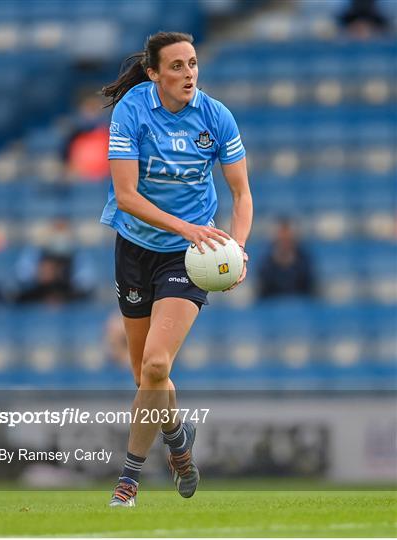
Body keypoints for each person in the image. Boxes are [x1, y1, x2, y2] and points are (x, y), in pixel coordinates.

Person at [100, 31, 253, 507]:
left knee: (157, 364)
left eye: (192, 64)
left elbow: (242, 195)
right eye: (177, 66)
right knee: (145, 378)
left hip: (189, 256)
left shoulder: (216, 116)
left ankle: (129, 479)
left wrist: (238, 248)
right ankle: (178, 438)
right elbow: (126, 196)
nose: (189, 74)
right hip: (135, 248)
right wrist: (186, 226)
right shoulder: (132, 111)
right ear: (154, 74)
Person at [256, 217, 315, 299]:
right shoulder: (266, 262)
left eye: (288, 234)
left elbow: (309, 288)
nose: (284, 238)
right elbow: (263, 289)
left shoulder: (304, 259)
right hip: (271, 307)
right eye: (281, 234)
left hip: (299, 306)